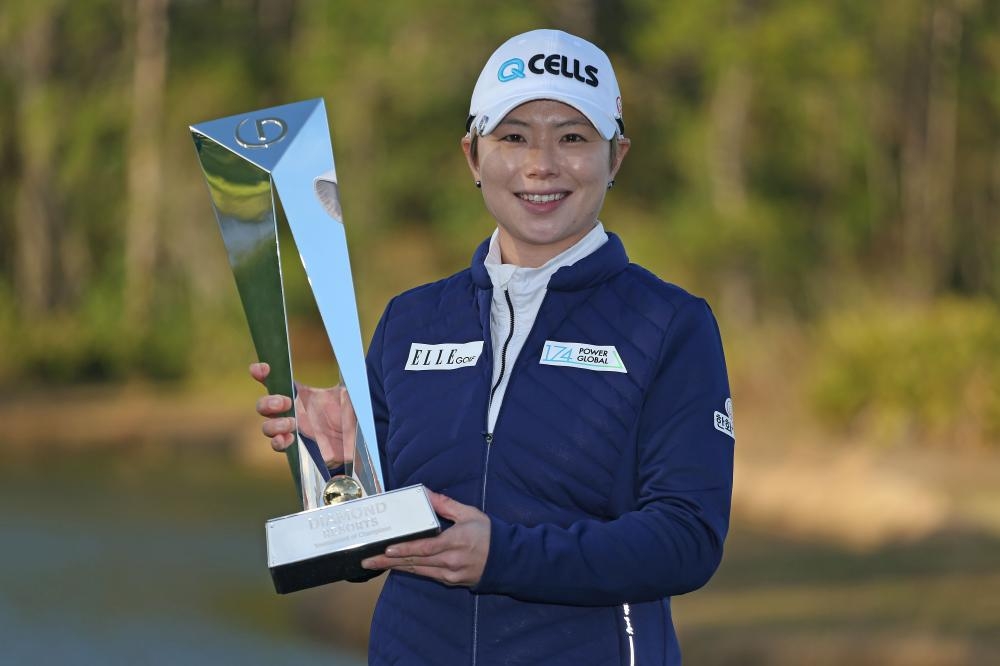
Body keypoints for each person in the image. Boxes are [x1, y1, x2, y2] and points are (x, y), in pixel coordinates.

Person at [253, 28, 734, 666]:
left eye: (572, 137)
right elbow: (365, 549)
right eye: (512, 137)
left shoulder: (670, 324)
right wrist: (335, 470)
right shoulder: (411, 320)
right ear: (473, 157)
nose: (541, 164)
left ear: (615, 158)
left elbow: (687, 539)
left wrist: (502, 556)